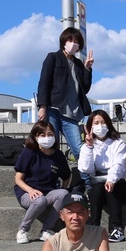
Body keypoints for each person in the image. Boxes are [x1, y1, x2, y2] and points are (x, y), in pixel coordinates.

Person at [36, 27, 93, 164]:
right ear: (63, 41)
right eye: (70, 40)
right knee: (50, 146)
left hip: (71, 114)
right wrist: (42, 106)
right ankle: (50, 180)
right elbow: (44, 82)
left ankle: (88, 181)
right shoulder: (53, 58)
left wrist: (87, 69)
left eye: (77, 41)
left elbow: (84, 89)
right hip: (53, 109)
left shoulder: (78, 64)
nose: (73, 43)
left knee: (79, 149)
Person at [13, 122, 71, 245]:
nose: (47, 137)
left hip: (48, 192)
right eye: (42, 135)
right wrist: (30, 190)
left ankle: (46, 230)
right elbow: (18, 179)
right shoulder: (29, 152)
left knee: (64, 193)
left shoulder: (58, 155)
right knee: (40, 201)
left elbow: (67, 176)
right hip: (27, 193)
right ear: (35, 137)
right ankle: (23, 230)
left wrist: (62, 192)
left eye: (50, 134)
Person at [77, 110, 126, 243]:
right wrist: (89, 147)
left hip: (118, 185)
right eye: (96, 123)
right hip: (98, 184)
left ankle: (117, 228)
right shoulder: (86, 146)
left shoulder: (118, 143)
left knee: (112, 188)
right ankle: (92, 228)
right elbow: (85, 168)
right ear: (90, 126)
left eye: (103, 122)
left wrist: (111, 180)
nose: (100, 125)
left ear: (108, 124)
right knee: (96, 189)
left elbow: (119, 164)